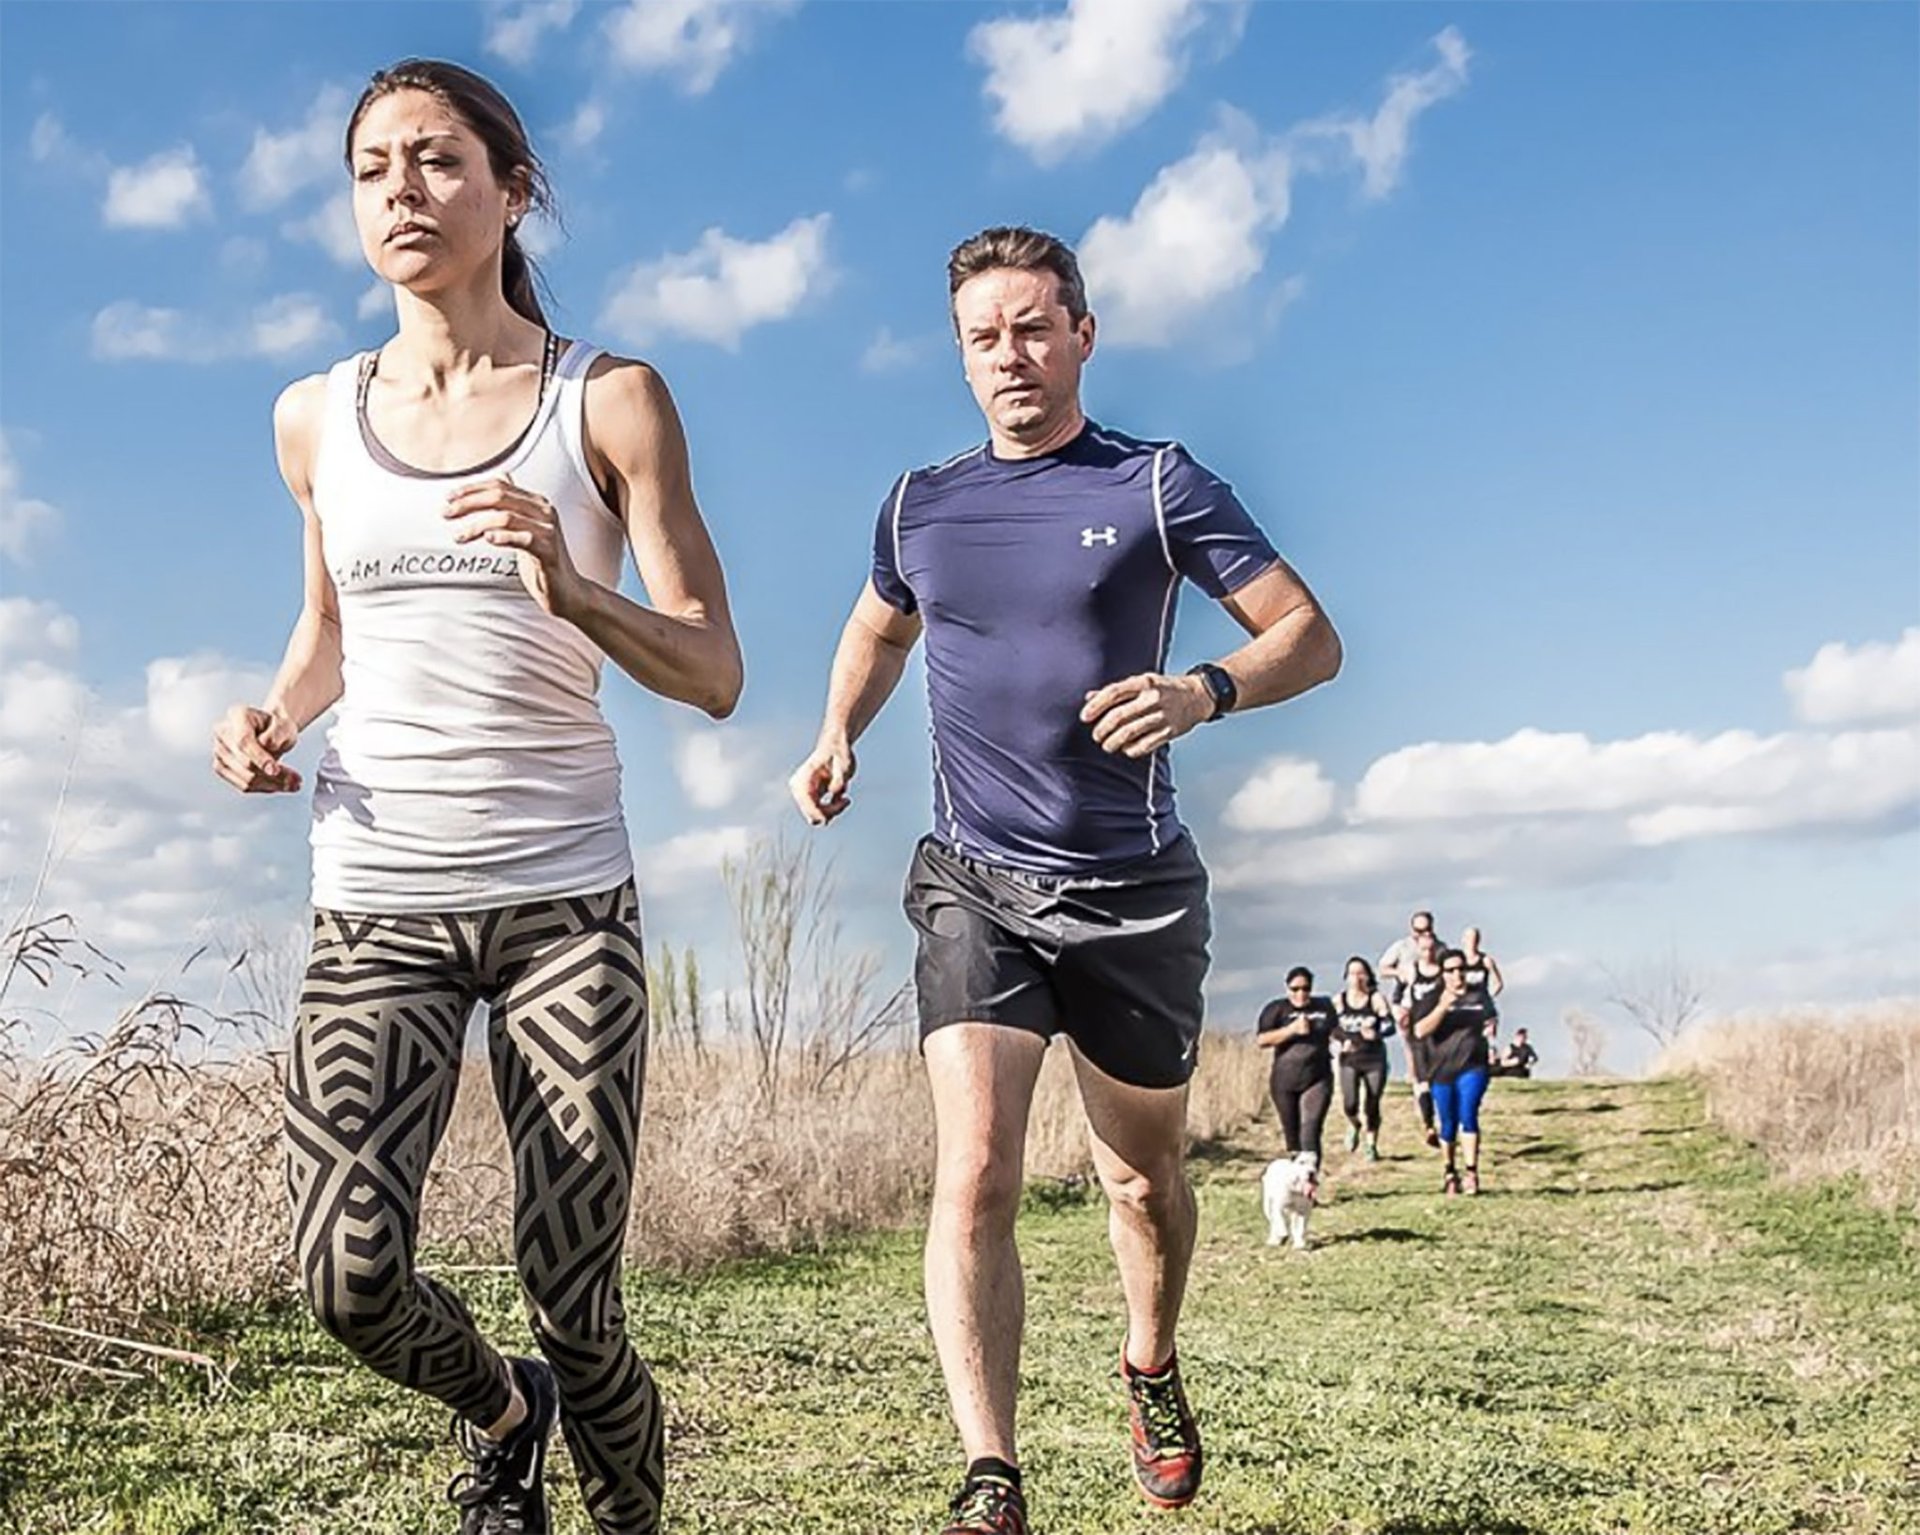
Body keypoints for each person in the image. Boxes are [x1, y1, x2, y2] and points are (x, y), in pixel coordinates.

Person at [210, 60, 742, 1535]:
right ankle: (508, 1412)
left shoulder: (610, 399)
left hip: (566, 902)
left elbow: (714, 666)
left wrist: (574, 589)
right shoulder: (313, 418)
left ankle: (624, 1508)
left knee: (577, 1296)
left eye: (439, 161)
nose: (403, 192)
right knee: (347, 1270)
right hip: (375, 897)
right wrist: (269, 718)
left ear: (513, 190)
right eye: (374, 167)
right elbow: (326, 635)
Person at [787, 226, 1340, 1535]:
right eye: (985, 335)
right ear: (960, 354)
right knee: (974, 1164)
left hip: (1134, 889)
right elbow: (879, 624)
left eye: (1034, 326)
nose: (1011, 355)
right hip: (975, 877)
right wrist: (835, 730)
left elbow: (1309, 636)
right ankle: (993, 1472)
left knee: (1141, 1177)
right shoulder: (920, 502)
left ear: (1083, 334)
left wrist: (1204, 689)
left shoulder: (1157, 482)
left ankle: (1150, 1359)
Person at [1410, 949, 1500, 1195]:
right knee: (1448, 1123)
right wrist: (1442, 1008)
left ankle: (1472, 1172)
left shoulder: (1479, 995)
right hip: (1441, 1070)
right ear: (1442, 973)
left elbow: (1491, 1020)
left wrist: (1491, 1040)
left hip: (1473, 1065)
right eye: (1450, 970)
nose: (1457, 974)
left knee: (1468, 1113)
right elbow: (1419, 1031)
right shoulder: (1431, 998)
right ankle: (1450, 1171)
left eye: (1460, 968)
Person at [1256, 967, 1338, 1174]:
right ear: (1287, 988)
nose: (1300, 994)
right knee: (1292, 1136)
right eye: (1295, 989)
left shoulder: (1324, 1007)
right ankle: (1296, 1180)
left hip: (1317, 1078)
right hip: (1285, 1081)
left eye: (1305, 989)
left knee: (1310, 1130)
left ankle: (1310, 1185)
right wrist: (1291, 1030)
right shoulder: (1276, 1009)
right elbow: (1262, 1040)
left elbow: (1337, 1031)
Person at [1332, 956, 1395, 1159]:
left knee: (1372, 1102)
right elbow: (1331, 1028)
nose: (1357, 978)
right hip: (1349, 1059)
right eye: (1352, 973)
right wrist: (1341, 1041)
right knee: (1349, 1102)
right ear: (1346, 977)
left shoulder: (1376, 999)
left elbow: (1389, 1025)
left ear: (1368, 976)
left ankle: (1371, 1144)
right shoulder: (1339, 1001)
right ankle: (1354, 1124)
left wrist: (1376, 1033)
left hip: (1373, 1058)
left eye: (1361, 973)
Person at [1392, 928, 1444, 1147]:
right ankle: (1428, 1125)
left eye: (1432, 949)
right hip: (1418, 1032)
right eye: (1424, 949)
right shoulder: (1411, 972)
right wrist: (1400, 1013)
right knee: (1422, 1080)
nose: (1428, 953)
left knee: (1440, 1080)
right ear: (1418, 951)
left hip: (1442, 1033)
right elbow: (1397, 997)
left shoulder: (1444, 972)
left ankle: (1445, 1119)